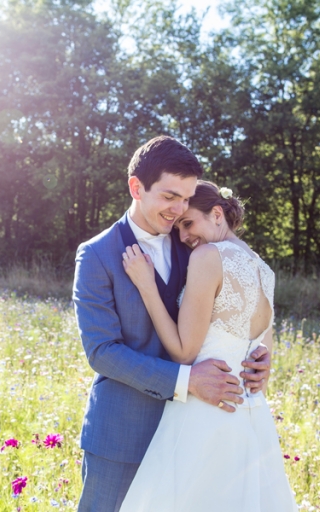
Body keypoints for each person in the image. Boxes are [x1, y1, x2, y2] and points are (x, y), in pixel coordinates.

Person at [72, 136, 271, 512]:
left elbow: (242, 295)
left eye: (186, 197)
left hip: (195, 435)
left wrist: (261, 353)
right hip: (124, 436)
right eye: (169, 197)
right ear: (137, 187)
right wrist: (187, 381)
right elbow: (102, 352)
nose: (179, 209)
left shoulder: (193, 243)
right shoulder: (97, 255)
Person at [118, 180, 298, 511]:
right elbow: (263, 356)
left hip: (205, 414)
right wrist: (263, 369)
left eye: (188, 223)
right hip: (251, 419)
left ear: (217, 214)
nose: (184, 236)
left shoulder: (207, 256)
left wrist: (146, 285)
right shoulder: (264, 268)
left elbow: (184, 352)